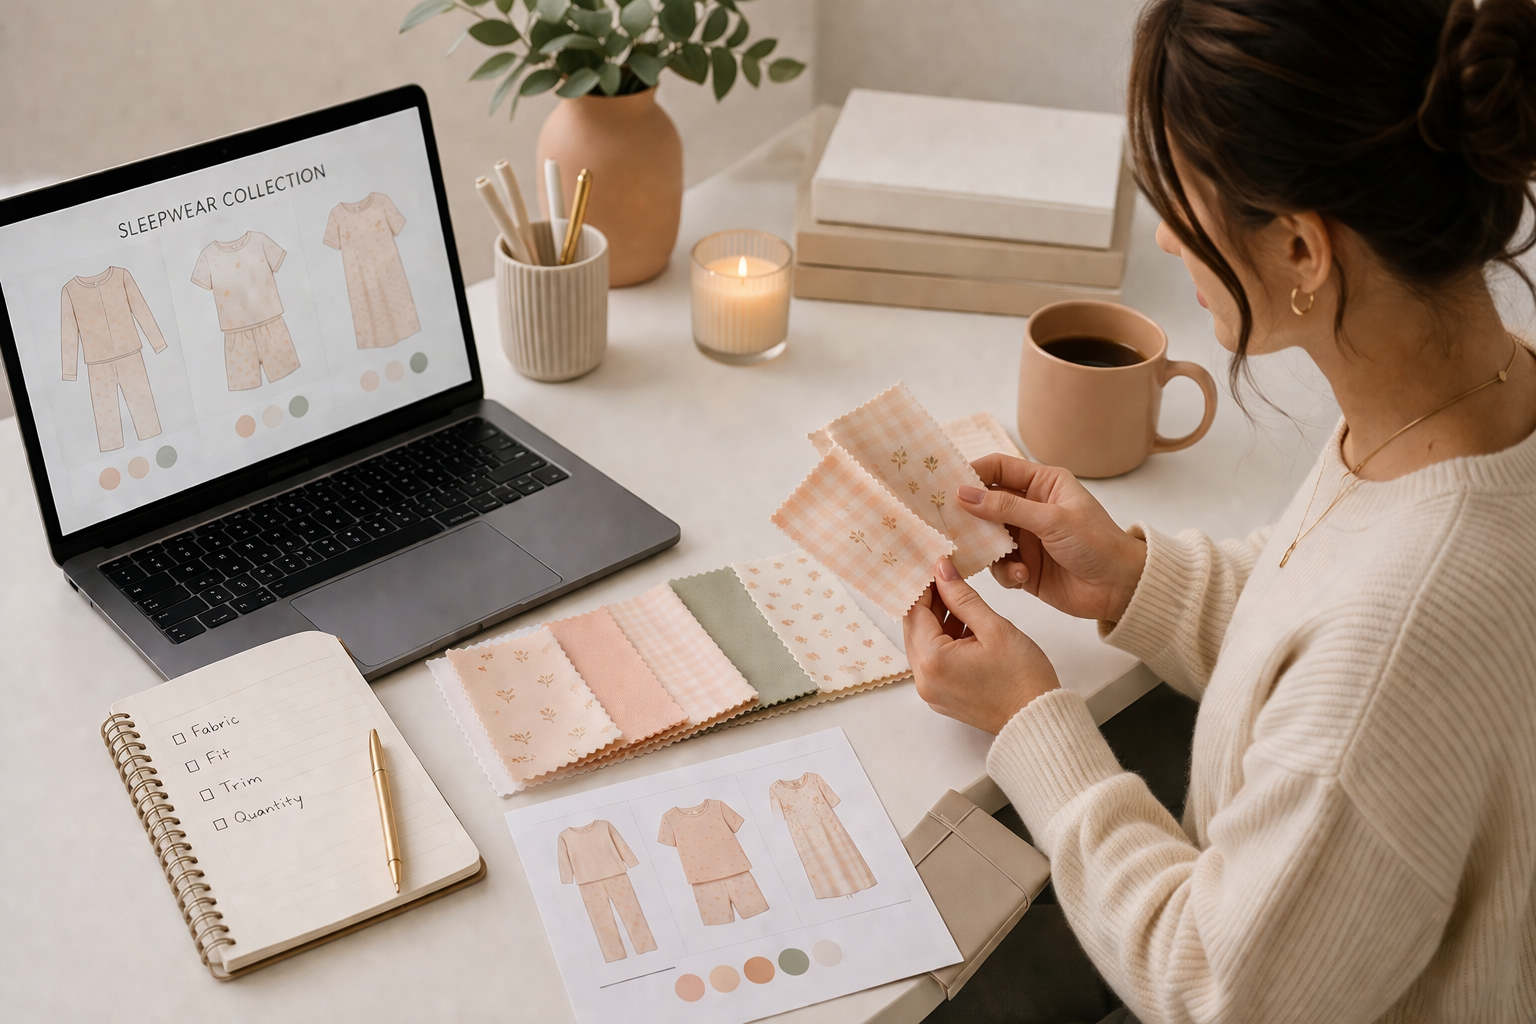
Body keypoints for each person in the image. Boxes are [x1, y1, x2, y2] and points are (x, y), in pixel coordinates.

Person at [906, 0, 1536, 1021]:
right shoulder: (1481, 408)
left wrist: (1029, 720)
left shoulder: (1402, 634)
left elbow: (1215, 985)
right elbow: (1339, 619)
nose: (1163, 236)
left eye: (1181, 204)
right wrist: (1137, 578)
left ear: (1298, 249)